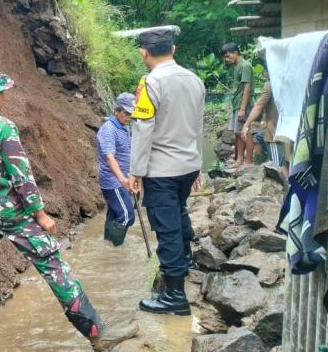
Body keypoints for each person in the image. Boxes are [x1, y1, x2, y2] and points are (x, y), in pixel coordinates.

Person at [0, 70, 138, 352]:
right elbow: (21, 175)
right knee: (53, 264)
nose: (4, 96)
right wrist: (40, 214)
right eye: (3, 92)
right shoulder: (3, 127)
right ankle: (96, 333)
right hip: (15, 214)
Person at [128, 27, 205, 316]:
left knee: (167, 228)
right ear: (173, 50)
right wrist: (198, 166)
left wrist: (136, 171)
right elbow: (198, 127)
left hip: (161, 170)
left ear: (143, 52)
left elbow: (143, 129)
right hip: (188, 166)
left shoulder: (149, 83)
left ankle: (175, 296)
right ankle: (187, 260)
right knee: (180, 210)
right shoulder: (195, 80)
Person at [97, 92, 137, 246]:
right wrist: (123, 180)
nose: (129, 117)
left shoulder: (124, 127)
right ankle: (116, 248)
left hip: (122, 178)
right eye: (126, 113)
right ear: (116, 111)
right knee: (127, 216)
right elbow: (109, 157)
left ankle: (107, 245)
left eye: (131, 114)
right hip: (113, 181)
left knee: (114, 214)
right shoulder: (108, 129)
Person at [241, 79, 288, 180]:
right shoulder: (289, 80)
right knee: (259, 136)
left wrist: (246, 125)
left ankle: (283, 190)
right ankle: (263, 164)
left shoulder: (270, 84)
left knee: (278, 167)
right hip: (289, 129)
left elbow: (259, 106)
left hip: (276, 133)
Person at [222, 43, 255, 169]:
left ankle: (249, 161)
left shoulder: (245, 66)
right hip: (237, 104)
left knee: (245, 132)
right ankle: (239, 159)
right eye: (225, 57)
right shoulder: (237, 66)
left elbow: (247, 88)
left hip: (243, 105)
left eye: (228, 55)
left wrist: (242, 108)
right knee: (238, 133)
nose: (227, 59)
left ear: (235, 52)